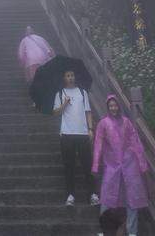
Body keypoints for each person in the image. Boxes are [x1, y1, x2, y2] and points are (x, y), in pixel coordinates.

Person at [92, 94, 149, 236]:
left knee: (133, 198)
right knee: (106, 197)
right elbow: (98, 144)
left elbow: (135, 142)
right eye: (111, 105)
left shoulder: (127, 122)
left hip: (129, 165)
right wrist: (95, 164)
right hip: (111, 165)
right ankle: (104, 230)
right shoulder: (103, 123)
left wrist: (142, 164)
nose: (113, 108)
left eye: (115, 105)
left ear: (119, 106)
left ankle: (132, 232)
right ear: (108, 107)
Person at [53, 69, 99, 206]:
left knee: (87, 165)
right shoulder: (60, 93)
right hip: (67, 133)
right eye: (67, 75)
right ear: (64, 78)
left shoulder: (82, 92)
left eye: (72, 75)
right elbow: (55, 112)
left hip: (82, 133)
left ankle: (92, 194)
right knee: (69, 166)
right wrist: (64, 103)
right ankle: (70, 195)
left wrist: (90, 129)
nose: (70, 77)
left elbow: (88, 111)